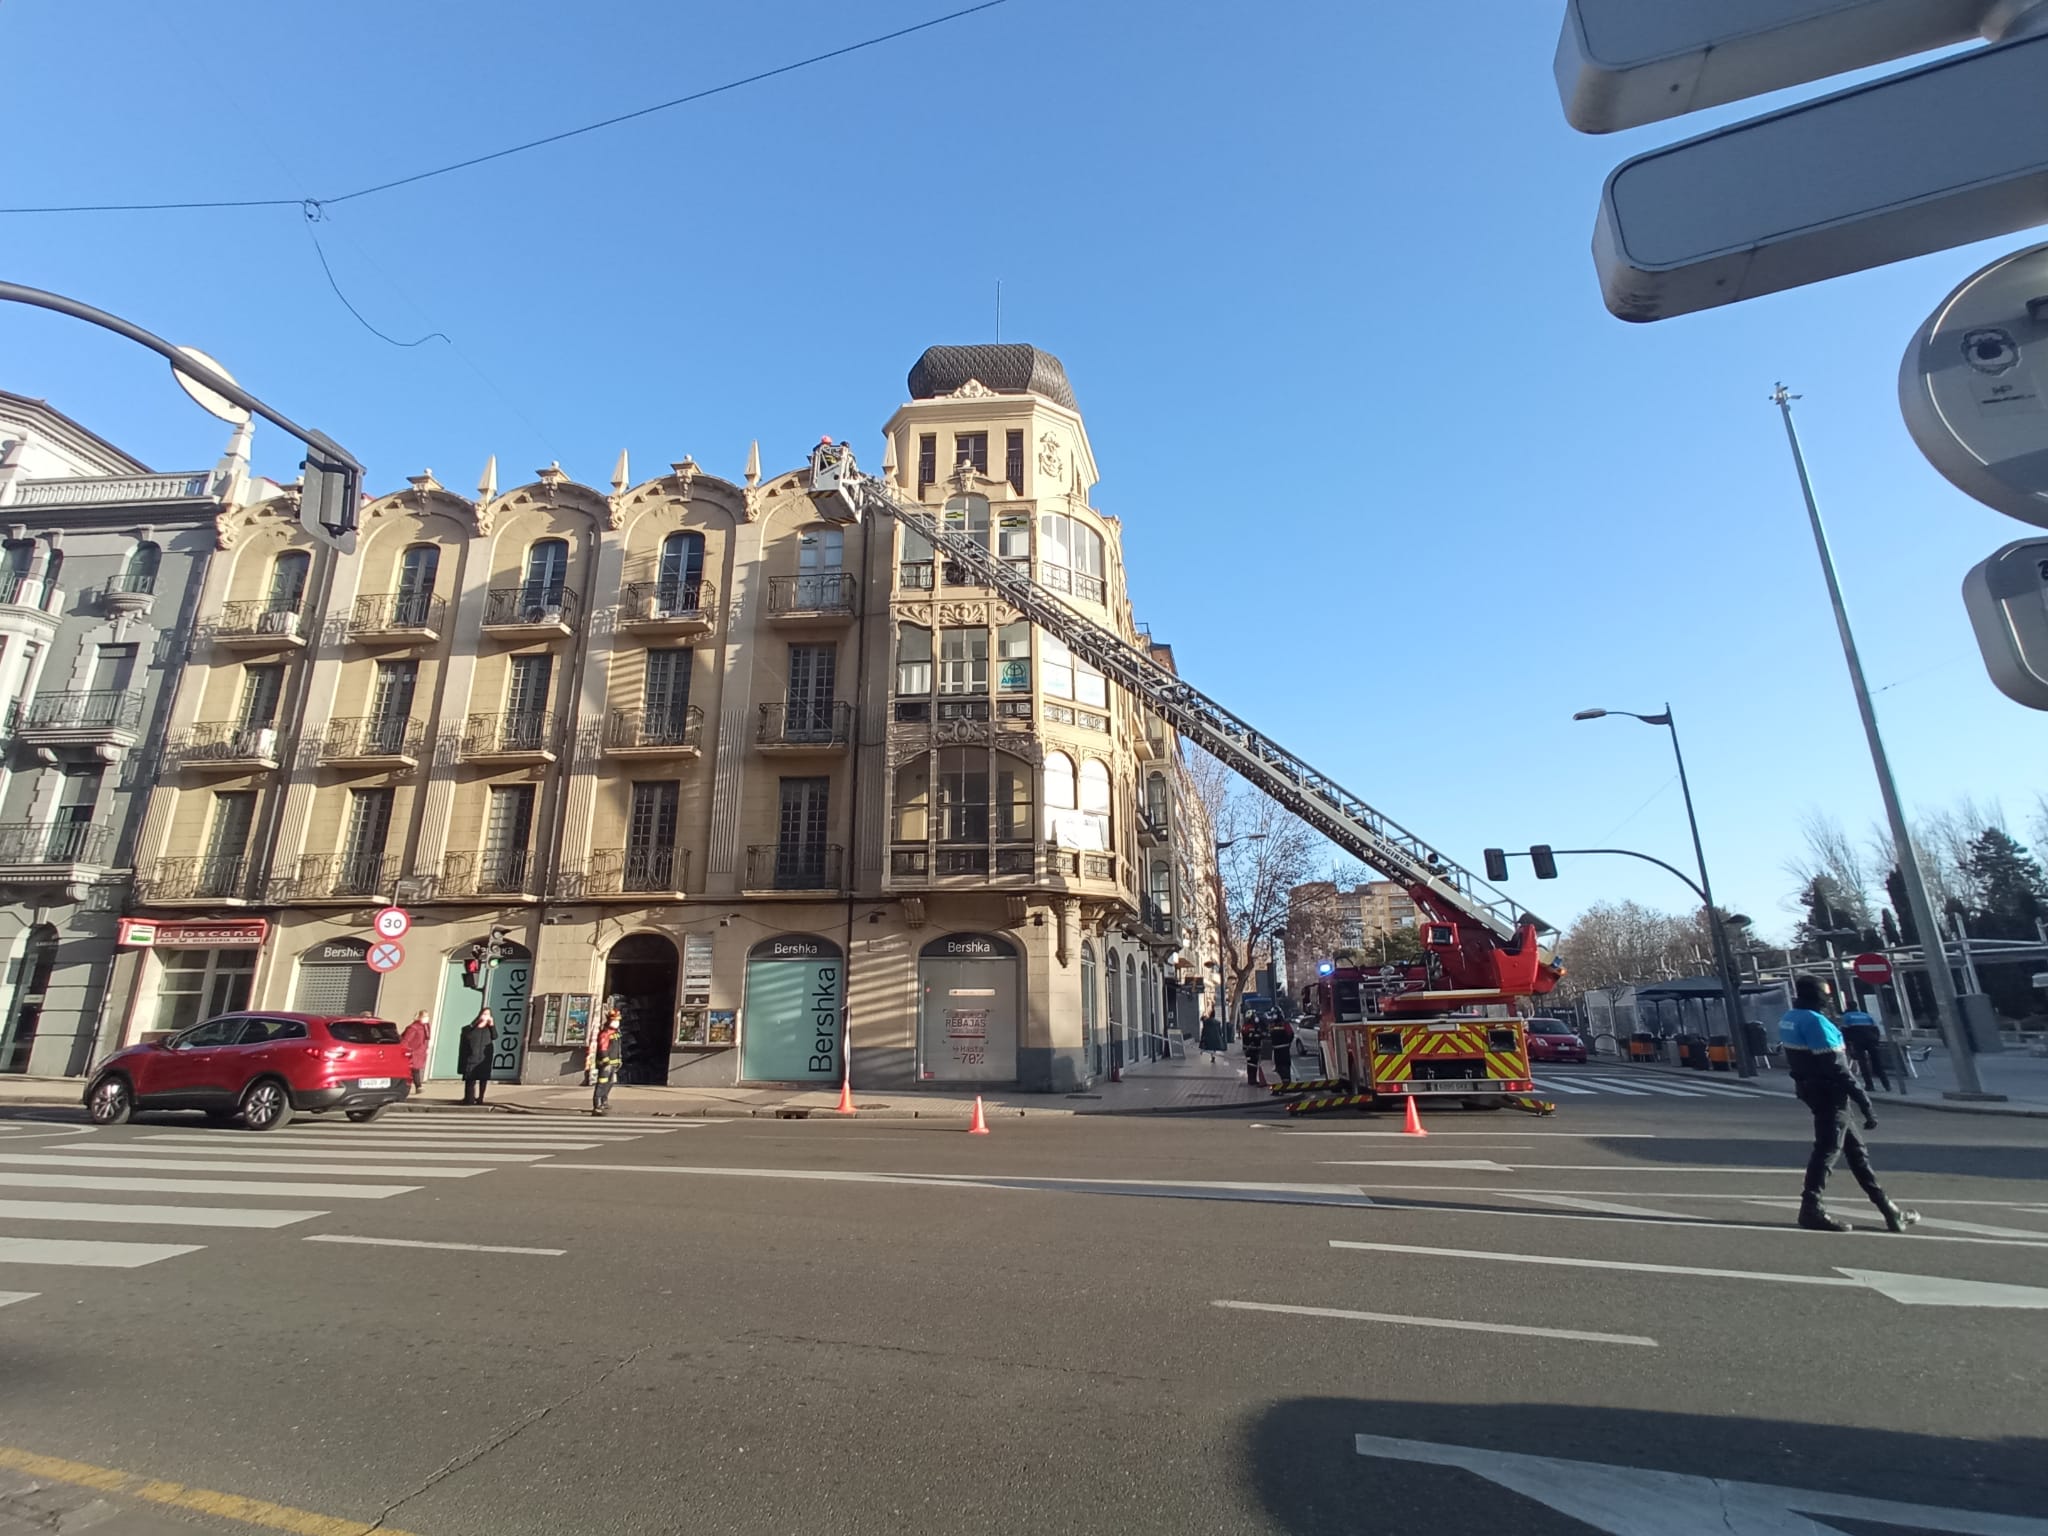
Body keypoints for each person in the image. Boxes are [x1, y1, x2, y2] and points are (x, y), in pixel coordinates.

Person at [1778, 975, 1917, 1233]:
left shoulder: (1790, 1018)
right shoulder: (1817, 1023)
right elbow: (1838, 1069)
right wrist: (1864, 1101)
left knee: (1856, 1152)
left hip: (1811, 1090)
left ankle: (1889, 1210)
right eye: (1826, 993)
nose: (1829, 998)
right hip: (1831, 1094)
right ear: (1818, 995)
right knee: (1828, 1150)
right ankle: (1811, 1208)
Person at [1838, 1006, 1892, 1093]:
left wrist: (1846, 1044)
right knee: (1877, 1063)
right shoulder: (1866, 1015)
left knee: (1863, 1063)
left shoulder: (1846, 1016)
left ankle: (1869, 1085)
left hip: (1858, 1041)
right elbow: (1876, 1028)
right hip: (1871, 1040)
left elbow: (1843, 1031)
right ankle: (1886, 1085)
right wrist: (1876, 1040)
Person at [459, 1010, 497, 1105]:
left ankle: (481, 1098)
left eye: (488, 1014)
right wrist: (477, 1023)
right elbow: (467, 1035)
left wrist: (492, 1025)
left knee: (483, 1079)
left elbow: (495, 1036)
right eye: (484, 1014)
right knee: (470, 1079)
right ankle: (469, 1098)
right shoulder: (472, 1028)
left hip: (484, 1058)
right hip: (473, 1055)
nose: (486, 1016)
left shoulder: (489, 1028)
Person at [590, 1017, 622, 1116]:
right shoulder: (606, 1033)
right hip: (606, 1065)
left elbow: (617, 1048)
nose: (617, 1023)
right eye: (615, 1021)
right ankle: (597, 1105)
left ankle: (604, 1101)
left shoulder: (616, 1033)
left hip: (613, 1063)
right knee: (602, 1083)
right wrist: (606, 1061)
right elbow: (603, 1048)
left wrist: (619, 1059)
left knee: (611, 1082)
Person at [399, 1010, 431, 1095]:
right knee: (413, 1069)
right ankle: (417, 1086)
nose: (426, 1018)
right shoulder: (414, 1028)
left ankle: (417, 1086)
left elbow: (426, 1039)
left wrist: (426, 1049)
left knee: (415, 1070)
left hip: (420, 1052)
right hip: (413, 1052)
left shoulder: (426, 1027)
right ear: (419, 1017)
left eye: (427, 1016)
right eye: (424, 1016)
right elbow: (406, 1040)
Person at [1266, 1008, 1295, 1086]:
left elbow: (1269, 1036)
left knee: (1282, 1067)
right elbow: (1291, 1034)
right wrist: (1288, 1043)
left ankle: (1285, 1085)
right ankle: (1285, 1085)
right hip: (1282, 1050)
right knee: (1282, 1068)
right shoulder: (1283, 1024)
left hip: (1279, 1050)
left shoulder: (1274, 1024)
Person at [1241, 1011, 1267, 1088]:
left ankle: (1252, 1080)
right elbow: (1255, 1036)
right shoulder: (1250, 1027)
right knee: (1252, 1064)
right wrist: (1260, 1035)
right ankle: (1252, 1080)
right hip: (1251, 1049)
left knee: (1252, 1064)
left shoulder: (1246, 1026)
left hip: (1249, 1048)